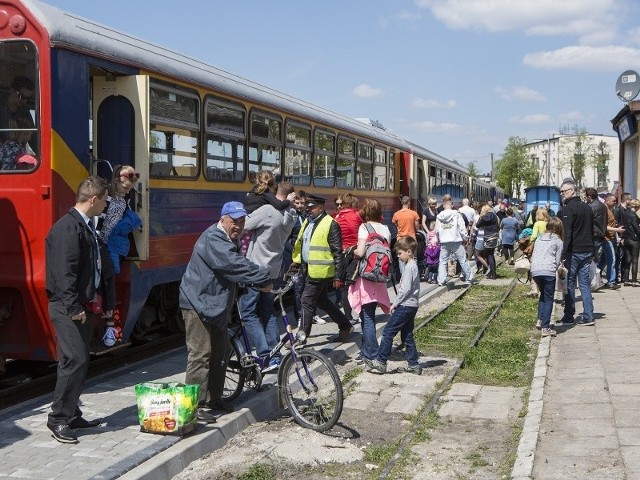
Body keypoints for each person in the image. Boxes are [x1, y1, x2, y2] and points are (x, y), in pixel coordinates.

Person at [179, 201, 271, 423]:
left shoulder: (230, 237)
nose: (238, 226)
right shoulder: (214, 238)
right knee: (201, 354)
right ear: (223, 219)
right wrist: (263, 276)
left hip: (215, 304)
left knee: (222, 350)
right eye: (234, 222)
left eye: (241, 222)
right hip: (197, 302)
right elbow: (232, 265)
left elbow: (233, 270)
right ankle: (194, 406)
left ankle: (214, 398)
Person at [45, 176, 111, 444]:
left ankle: (71, 414)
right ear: (93, 200)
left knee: (80, 360)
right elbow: (64, 273)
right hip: (67, 306)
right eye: (105, 200)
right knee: (74, 361)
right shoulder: (68, 229)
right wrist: (73, 307)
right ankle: (58, 418)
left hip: (80, 305)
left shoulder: (83, 226)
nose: (106, 205)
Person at [240, 182, 297, 372]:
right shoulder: (291, 215)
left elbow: (243, 224)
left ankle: (264, 354)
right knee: (267, 310)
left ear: (273, 194)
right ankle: (275, 354)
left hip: (256, 268)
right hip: (274, 268)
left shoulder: (267, 211)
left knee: (247, 312)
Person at [291, 194, 353, 343]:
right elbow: (302, 244)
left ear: (320, 207)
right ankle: (345, 325)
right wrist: (296, 262)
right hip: (308, 268)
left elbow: (337, 252)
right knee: (322, 301)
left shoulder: (331, 224)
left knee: (306, 300)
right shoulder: (308, 221)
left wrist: (339, 276)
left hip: (320, 271)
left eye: (311, 207)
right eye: (307, 207)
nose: (308, 209)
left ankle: (301, 338)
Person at [96, 164, 142, 346]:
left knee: (110, 280)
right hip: (101, 244)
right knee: (107, 281)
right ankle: (108, 326)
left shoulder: (123, 199)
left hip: (111, 246)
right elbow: (98, 222)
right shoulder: (105, 199)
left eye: (129, 188)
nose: (127, 191)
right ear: (116, 180)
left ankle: (109, 327)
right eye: (125, 187)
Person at [367, 236, 422, 375]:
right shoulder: (413, 265)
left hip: (405, 305)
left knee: (388, 332)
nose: (398, 256)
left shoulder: (409, 267)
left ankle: (381, 361)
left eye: (400, 253)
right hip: (412, 305)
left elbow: (405, 289)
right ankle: (414, 364)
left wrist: (395, 303)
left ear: (408, 252)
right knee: (407, 336)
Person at [348, 199, 392, 363]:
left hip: (366, 276)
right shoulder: (386, 228)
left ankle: (371, 354)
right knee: (369, 313)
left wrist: (352, 252)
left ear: (366, 212)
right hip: (379, 277)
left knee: (367, 316)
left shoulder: (364, 227)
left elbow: (360, 252)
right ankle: (367, 350)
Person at [558, 180, 595, 326]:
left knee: (570, 284)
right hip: (587, 250)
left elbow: (567, 233)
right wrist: (592, 250)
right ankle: (588, 316)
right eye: (561, 192)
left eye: (564, 191)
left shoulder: (568, 209)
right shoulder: (587, 208)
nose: (562, 194)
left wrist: (563, 254)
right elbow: (591, 230)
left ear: (572, 191)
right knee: (585, 284)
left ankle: (568, 315)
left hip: (574, 251)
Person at [530, 217, 564, 337]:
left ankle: (540, 319)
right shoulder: (558, 241)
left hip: (535, 270)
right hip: (548, 270)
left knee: (543, 295)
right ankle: (546, 327)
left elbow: (534, 255)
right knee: (549, 298)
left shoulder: (539, 239)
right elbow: (557, 259)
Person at [333, 193, 362, 322]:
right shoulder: (357, 215)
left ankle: (348, 316)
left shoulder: (337, 218)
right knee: (359, 285)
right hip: (355, 253)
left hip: (341, 253)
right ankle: (362, 314)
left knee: (345, 287)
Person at [435, 197, 473, 285]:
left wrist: (439, 239)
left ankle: (441, 280)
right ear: (452, 205)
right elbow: (462, 228)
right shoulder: (456, 214)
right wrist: (466, 238)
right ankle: (469, 278)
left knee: (443, 262)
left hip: (444, 241)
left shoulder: (439, 216)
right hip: (456, 241)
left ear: (443, 206)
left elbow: (436, 230)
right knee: (462, 260)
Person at [0, 75, 34, 144]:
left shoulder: (25, 112)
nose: (25, 101)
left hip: (19, 152)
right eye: (22, 97)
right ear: (12, 90)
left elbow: (32, 138)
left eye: (28, 98)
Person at [392, 196, 421, 275]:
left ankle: (403, 276)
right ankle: (413, 275)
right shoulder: (414, 213)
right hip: (411, 239)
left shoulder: (396, 214)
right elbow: (417, 227)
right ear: (409, 203)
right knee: (412, 258)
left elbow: (396, 226)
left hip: (400, 239)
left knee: (401, 258)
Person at [600, 193, 623, 289]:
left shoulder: (610, 209)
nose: (614, 203)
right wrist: (617, 230)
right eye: (613, 201)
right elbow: (604, 226)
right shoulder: (604, 209)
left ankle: (594, 276)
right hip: (607, 238)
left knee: (603, 261)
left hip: (611, 238)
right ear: (607, 200)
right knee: (612, 260)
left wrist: (616, 225)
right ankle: (611, 281)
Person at [475, 204, 500, 279]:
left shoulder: (483, 218)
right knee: (491, 255)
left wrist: (481, 217)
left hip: (487, 238)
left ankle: (491, 273)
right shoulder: (495, 216)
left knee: (488, 255)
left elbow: (477, 225)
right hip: (494, 237)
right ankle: (493, 272)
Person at [620, 196, 640, 286]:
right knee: (635, 260)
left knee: (628, 259)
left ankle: (626, 280)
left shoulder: (625, 213)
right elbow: (637, 228)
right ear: (636, 207)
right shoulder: (633, 215)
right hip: (634, 239)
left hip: (626, 238)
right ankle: (634, 281)